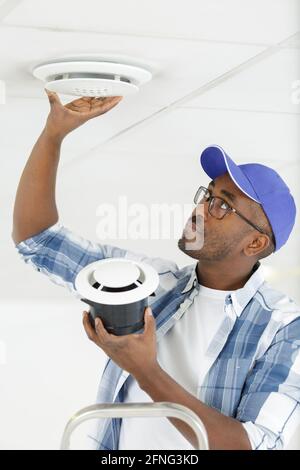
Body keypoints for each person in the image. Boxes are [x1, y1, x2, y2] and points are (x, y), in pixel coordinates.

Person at [12, 90, 300, 450]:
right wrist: (53, 134)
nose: (201, 209)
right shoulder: (152, 283)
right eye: (208, 195)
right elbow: (37, 240)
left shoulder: (285, 328)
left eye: (223, 206)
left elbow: (251, 446)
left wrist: (144, 370)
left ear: (256, 244)